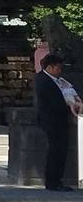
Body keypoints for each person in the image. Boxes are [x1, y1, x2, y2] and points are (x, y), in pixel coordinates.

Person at [35, 54, 80, 191]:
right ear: (50, 67)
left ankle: (56, 180)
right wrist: (69, 104)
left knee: (60, 150)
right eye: (58, 68)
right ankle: (53, 181)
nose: (60, 71)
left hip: (59, 120)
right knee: (56, 150)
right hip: (52, 120)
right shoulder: (43, 80)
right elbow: (54, 102)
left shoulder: (57, 80)